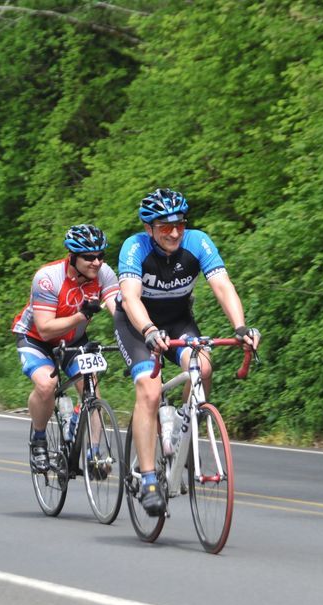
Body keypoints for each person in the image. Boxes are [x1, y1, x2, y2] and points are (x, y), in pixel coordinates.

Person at [113, 189, 260, 516]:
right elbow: (132, 297)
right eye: (165, 227)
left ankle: (180, 430)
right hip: (138, 326)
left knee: (204, 369)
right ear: (149, 228)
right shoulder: (134, 247)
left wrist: (240, 327)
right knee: (149, 392)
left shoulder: (197, 242)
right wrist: (149, 331)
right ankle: (149, 477)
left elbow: (223, 285)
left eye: (179, 224)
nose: (175, 233)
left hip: (178, 321)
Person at [12, 224, 119, 474]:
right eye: (89, 257)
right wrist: (81, 315)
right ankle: (39, 439)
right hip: (36, 338)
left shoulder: (104, 273)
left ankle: (94, 453)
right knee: (46, 385)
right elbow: (46, 328)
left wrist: (137, 333)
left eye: (101, 256)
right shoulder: (48, 278)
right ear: (72, 256)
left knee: (91, 388)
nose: (96, 262)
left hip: (73, 340)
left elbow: (118, 310)